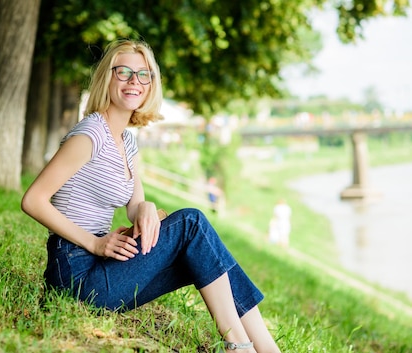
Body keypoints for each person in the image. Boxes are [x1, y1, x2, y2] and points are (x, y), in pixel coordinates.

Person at [21, 40, 280, 352]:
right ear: (107, 77)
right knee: (192, 224)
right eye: (125, 72)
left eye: (144, 75)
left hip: (101, 269)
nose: (134, 81)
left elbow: (136, 207)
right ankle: (239, 345)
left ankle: (266, 349)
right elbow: (33, 199)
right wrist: (95, 242)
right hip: (75, 273)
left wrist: (148, 208)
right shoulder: (90, 135)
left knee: (203, 252)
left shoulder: (126, 142)